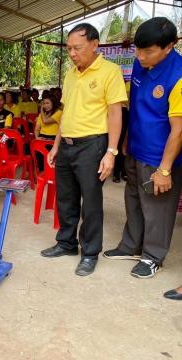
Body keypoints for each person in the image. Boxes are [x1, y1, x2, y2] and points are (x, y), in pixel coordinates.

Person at [40, 23, 127, 276]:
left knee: (90, 201)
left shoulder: (110, 72)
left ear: (95, 44)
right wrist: (56, 145)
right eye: (69, 49)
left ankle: (89, 253)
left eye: (77, 48)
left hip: (93, 145)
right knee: (65, 198)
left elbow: (115, 113)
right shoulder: (70, 74)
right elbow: (66, 113)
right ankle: (66, 243)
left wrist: (111, 152)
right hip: (67, 145)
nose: (72, 53)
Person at [103, 18, 182, 280]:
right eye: (138, 49)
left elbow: (179, 129)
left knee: (158, 207)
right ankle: (131, 245)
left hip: (160, 156)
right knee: (134, 199)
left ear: (170, 46)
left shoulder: (179, 75)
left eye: (148, 51)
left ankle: (153, 255)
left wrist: (165, 169)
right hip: (136, 147)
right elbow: (135, 106)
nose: (140, 56)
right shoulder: (139, 63)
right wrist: (127, 140)